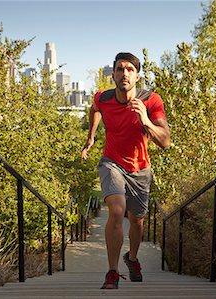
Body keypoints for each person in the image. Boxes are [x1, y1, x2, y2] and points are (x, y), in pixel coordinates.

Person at [81, 52, 171, 289]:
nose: (124, 73)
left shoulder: (151, 101)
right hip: (111, 162)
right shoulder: (103, 97)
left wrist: (145, 120)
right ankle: (112, 272)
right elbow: (94, 110)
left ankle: (132, 259)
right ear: (113, 75)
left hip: (140, 169)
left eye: (130, 69)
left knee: (137, 221)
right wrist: (91, 138)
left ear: (137, 76)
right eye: (120, 69)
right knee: (117, 210)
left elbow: (165, 141)